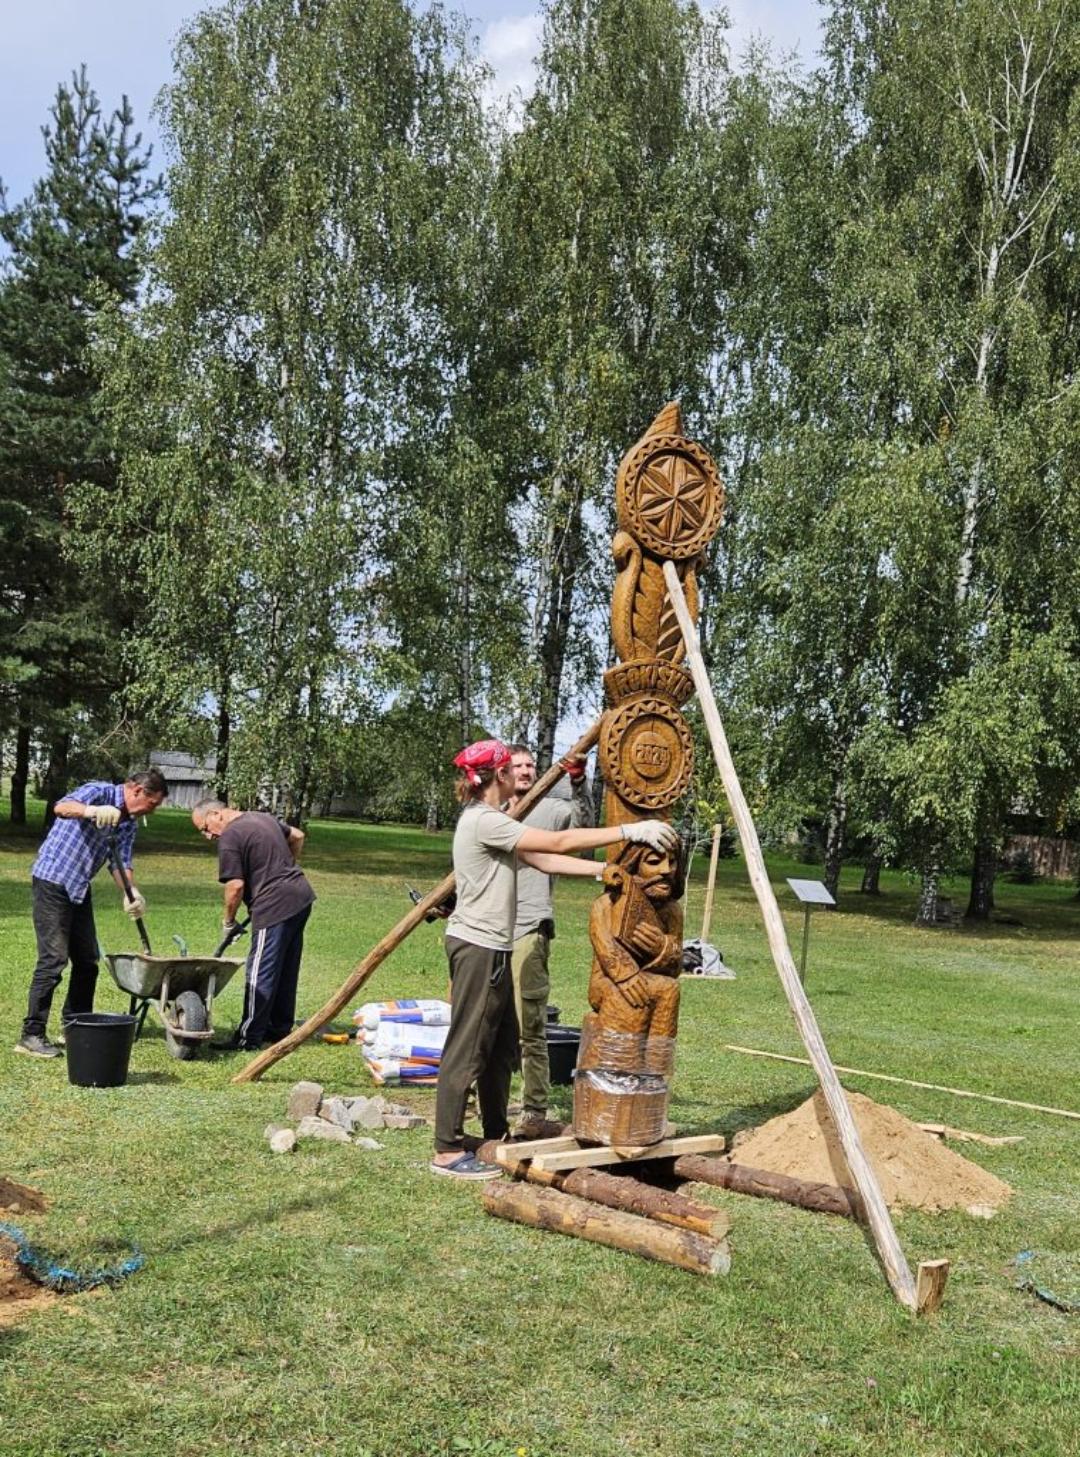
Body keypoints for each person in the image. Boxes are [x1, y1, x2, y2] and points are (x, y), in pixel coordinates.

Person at [431, 738, 679, 1179]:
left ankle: (494, 1133)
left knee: (503, 1046)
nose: (519, 775)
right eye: (512, 769)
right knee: (469, 1047)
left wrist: (600, 870)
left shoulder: (495, 821)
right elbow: (559, 840)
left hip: (496, 947)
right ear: (500, 776)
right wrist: (629, 831)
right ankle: (447, 1151)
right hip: (478, 947)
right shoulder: (484, 820)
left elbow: (540, 859)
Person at [16, 768, 168, 1058]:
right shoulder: (98, 791)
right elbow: (61, 807)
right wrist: (92, 810)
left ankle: (76, 1025)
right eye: (154, 803)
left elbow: (120, 861)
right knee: (53, 960)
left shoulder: (129, 823)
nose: (155, 809)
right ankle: (31, 1035)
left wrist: (130, 893)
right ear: (137, 790)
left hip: (78, 888)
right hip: (52, 880)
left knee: (87, 961)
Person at [506, 743, 592, 1139]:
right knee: (484, 1023)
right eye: (517, 766)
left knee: (530, 1025)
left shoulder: (550, 810)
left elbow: (584, 831)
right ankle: (484, 1098)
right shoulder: (491, 809)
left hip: (528, 924)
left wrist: (578, 781)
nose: (524, 772)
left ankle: (534, 1110)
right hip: (484, 931)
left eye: (529, 766)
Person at [191, 800, 315, 1052]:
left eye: (205, 827)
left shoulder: (230, 835)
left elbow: (235, 886)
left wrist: (228, 921)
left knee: (261, 971)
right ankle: (279, 1029)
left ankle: (249, 1037)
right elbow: (298, 836)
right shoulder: (261, 817)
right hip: (300, 897)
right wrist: (286, 867)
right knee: (285, 967)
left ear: (216, 814)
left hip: (274, 904)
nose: (207, 836)